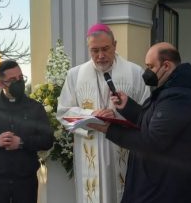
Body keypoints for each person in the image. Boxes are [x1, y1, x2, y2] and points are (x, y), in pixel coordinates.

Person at [89, 42, 191, 203]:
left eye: (151, 66)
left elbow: (152, 141)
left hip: (167, 190)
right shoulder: (170, 90)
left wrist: (109, 129)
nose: (147, 72)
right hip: (158, 185)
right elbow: (153, 122)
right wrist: (127, 106)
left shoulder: (180, 97)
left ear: (166, 65)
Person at [57, 24, 150, 203]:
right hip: (89, 148)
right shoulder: (75, 75)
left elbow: (147, 113)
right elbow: (63, 113)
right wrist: (92, 113)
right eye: (94, 50)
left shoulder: (134, 72)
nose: (100, 56)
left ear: (115, 45)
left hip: (124, 146)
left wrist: (122, 113)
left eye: (105, 49)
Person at [0, 59, 54, 203]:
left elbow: (47, 139)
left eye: (21, 78)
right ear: (0, 84)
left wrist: (21, 142)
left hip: (25, 181)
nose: (19, 82)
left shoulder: (35, 107)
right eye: (13, 80)